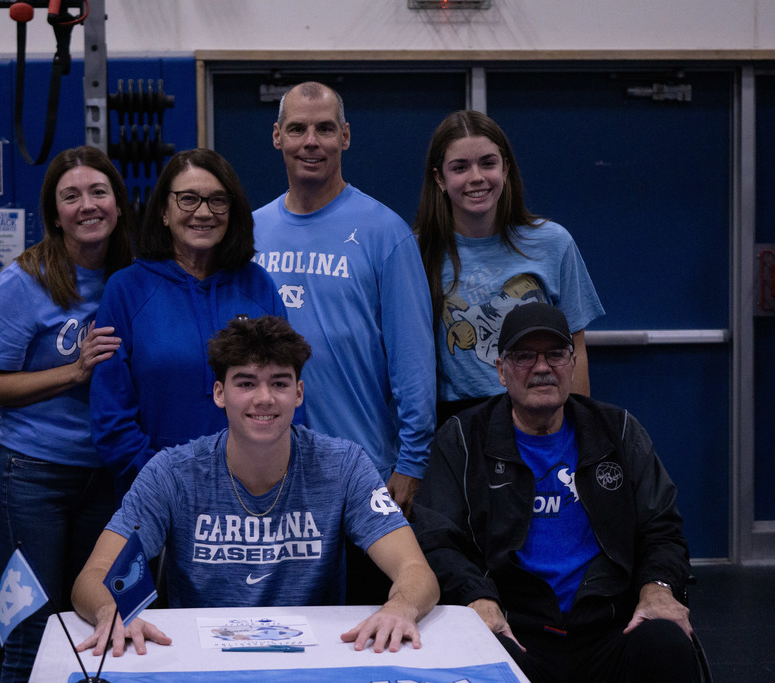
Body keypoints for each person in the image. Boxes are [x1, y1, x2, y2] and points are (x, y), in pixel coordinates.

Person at [72, 315, 439, 657]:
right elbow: (93, 577)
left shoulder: (344, 465)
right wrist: (111, 610)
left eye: (279, 383)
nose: (264, 398)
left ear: (298, 393)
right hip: (197, 660)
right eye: (246, 383)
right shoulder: (171, 472)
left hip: (316, 659)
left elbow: (416, 571)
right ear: (220, 393)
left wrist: (399, 608)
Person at [412, 302, 699, 683]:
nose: (542, 367)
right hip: (516, 630)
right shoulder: (462, 439)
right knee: (472, 653)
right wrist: (477, 596)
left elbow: (661, 528)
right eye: (524, 356)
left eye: (556, 354)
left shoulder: (619, 431)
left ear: (573, 364)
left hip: (609, 628)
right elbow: (437, 539)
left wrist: (658, 587)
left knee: (667, 641)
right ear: (500, 370)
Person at [0, 145, 133, 682]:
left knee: (96, 630)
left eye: (99, 191)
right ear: (54, 212)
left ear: (119, 203)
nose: (88, 204)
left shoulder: (133, 277)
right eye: (71, 195)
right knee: (31, 634)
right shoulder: (25, 281)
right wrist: (71, 372)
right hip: (31, 476)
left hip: (108, 477)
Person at [253, 81, 435, 517]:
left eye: (325, 129)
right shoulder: (251, 232)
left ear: (345, 136)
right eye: (297, 129)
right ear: (277, 136)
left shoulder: (385, 233)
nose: (311, 142)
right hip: (265, 473)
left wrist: (411, 463)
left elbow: (413, 362)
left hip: (363, 471)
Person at [91, 148, 285, 497]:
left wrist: (270, 478)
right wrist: (167, 485)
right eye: (188, 199)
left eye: (217, 200)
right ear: (164, 212)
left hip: (250, 492)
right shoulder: (127, 289)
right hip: (155, 494)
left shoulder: (258, 286)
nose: (204, 212)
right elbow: (111, 416)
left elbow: (284, 396)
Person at [413, 110, 604, 426]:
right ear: (439, 178)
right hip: (458, 424)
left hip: (541, 415)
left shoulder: (553, 243)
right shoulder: (416, 251)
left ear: (506, 167)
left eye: (488, 163)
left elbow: (576, 350)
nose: (477, 177)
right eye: (460, 167)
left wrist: (579, 433)